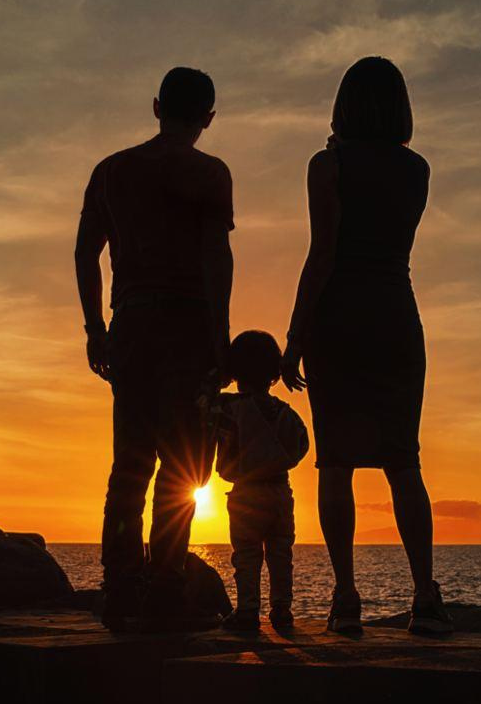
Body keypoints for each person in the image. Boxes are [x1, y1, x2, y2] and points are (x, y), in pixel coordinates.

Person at [282, 56, 452, 638]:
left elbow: (323, 252)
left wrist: (294, 335)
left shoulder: (326, 165)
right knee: (404, 462)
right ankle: (425, 596)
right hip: (396, 318)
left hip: (339, 322)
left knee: (336, 464)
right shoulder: (417, 169)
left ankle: (346, 597)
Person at [75, 67, 234, 632]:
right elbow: (218, 259)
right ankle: (165, 589)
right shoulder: (210, 173)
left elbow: (84, 252)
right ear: (208, 118)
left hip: (133, 325)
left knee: (130, 465)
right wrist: (222, 338)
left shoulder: (112, 171)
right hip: (189, 328)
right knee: (182, 468)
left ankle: (120, 587)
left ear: (156, 106)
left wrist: (95, 327)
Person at [216, 330, 309, 634]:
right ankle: (282, 610)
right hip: (281, 490)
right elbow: (302, 444)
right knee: (281, 553)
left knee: (247, 554)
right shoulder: (286, 412)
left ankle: (248, 610)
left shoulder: (229, 408)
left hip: (246, 493)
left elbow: (204, 416)